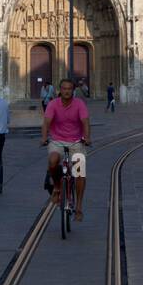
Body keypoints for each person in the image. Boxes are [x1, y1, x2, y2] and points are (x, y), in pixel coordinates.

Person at [42, 78, 91, 221]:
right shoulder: (52, 104)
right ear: (59, 90)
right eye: (64, 88)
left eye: (69, 88)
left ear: (73, 90)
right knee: (53, 161)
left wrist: (87, 137)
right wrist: (44, 137)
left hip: (76, 142)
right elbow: (46, 123)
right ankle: (57, 187)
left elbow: (85, 122)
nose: (67, 91)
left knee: (79, 171)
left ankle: (79, 207)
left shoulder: (79, 104)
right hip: (57, 141)